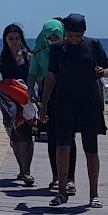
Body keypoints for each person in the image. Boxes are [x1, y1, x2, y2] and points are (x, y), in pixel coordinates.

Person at [37, 14, 108, 208]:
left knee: (91, 149)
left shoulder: (93, 45)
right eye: (70, 36)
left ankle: (93, 194)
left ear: (83, 33)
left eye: (77, 36)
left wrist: (102, 72)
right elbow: (51, 76)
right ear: (65, 33)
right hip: (64, 102)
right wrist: (43, 105)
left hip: (90, 102)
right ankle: (62, 191)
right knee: (63, 146)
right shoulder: (57, 48)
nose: (74, 39)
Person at [29, 18, 72, 192]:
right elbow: (33, 70)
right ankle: (56, 177)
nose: (53, 41)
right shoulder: (40, 47)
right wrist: (30, 88)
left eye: (56, 37)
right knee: (52, 136)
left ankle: (70, 179)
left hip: (68, 93)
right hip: (48, 93)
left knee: (69, 138)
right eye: (50, 37)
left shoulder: (70, 47)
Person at [0, 23, 36, 187]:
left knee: (26, 134)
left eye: (17, 38)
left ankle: (27, 171)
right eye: (11, 39)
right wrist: (7, 88)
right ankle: (22, 168)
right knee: (15, 136)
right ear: (5, 40)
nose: (14, 41)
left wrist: (32, 92)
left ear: (21, 39)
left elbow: (36, 76)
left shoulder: (29, 57)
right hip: (9, 103)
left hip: (26, 101)